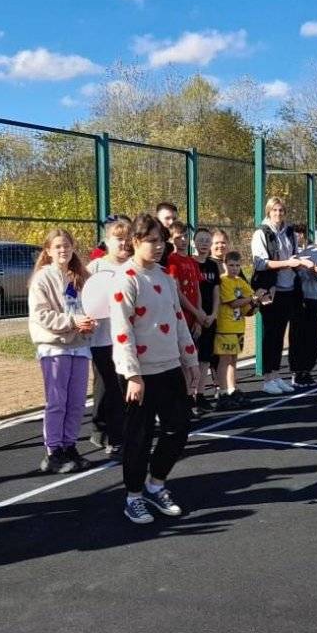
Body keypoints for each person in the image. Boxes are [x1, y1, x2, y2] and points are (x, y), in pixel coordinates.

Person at [109, 214, 200, 525]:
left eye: (162, 240)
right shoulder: (125, 279)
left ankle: (155, 484)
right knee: (139, 437)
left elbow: (178, 322)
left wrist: (190, 361)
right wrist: (132, 375)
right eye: (152, 241)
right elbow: (122, 331)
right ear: (136, 242)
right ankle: (133, 497)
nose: (159, 246)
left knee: (178, 428)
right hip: (141, 375)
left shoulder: (164, 278)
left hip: (170, 367)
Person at [28, 228, 96, 474]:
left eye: (66, 245)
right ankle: (53, 450)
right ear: (48, 250)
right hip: (54, 346)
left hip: (78, 346)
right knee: (57, 401)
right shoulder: (42, 278)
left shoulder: (79, 276)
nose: (63, 250)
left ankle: (69, 445)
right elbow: (41, 314)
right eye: (57, 246)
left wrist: (89, 323)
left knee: (77, 401)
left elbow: (88, 306)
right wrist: (71, 322)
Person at [250, 197, 309, 395]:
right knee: (270, 335)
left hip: (288, 288)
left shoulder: (289, 232)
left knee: (280, 335)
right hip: (271, 289)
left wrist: (299, 262)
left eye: (281, 210)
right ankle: (267, 378)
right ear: (268, 211)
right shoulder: (261, 233)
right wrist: (287, 263)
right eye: (274, 210)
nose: (278, 213)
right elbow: (261, 263)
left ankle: (275, 375)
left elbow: (292, 257)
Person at [87, 217, 134, 460]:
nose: (124, 244)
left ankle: (120, 436)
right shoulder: (95, 268)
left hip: (128, 340)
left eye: (128, 239)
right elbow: (84, 299)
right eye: (119, 239)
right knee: (108, 388)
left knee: (126, 388)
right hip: (102, 340)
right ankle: (107, 433)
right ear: (107, 241)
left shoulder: (134, 267)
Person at [214, 250, 268, 409]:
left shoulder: (240, 281)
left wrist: (259, 299)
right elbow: (234, 303)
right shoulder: (223, 281)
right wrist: (253, 299)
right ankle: (222, 392)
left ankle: (232, 389)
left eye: (237, 265)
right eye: (231, 265)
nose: (234, 268)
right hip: (225, 327)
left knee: (233, 360)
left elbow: (251, 299)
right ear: (224, 265)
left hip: (238, 327)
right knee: (224, 360)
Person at [166, 220, 210, 416]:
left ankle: (190, 398)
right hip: (181, 318)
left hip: (194, 319)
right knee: (182, 362)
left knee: (192, 360)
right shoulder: (172, 260)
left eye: (185, 236)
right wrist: (193, 310)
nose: (182, 240)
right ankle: (181, 402)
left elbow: (197, 288)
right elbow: (177, 292)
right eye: (178, 237)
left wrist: (199, 314)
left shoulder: (192, 261)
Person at [288, 223, 317, 388]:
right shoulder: (289, 253)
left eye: (300, 233)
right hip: (296, 298)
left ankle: (307, 370)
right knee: (297, 334)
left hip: (313, 297)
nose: (298, 236)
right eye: (295, 233)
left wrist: (316, 272)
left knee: (312, 335)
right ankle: (296, 371)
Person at [196, 227, 222, 399]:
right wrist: (198, 315)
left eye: (207, 240)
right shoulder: (191, 263)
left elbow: (216, 292)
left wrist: (213, 314)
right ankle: (190, 395)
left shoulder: (213, 265)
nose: (204, 244)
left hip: (210, 318)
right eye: (201, 240)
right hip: (195, 318)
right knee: (192, 359)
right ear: (194, 242)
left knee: (206, 357)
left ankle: (200, 393)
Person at [155, 202, 178, 267]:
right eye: (167, 218)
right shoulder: (148, 240)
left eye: (174, 219)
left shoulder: (168, 245)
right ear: (157, 218)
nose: (171, 222)